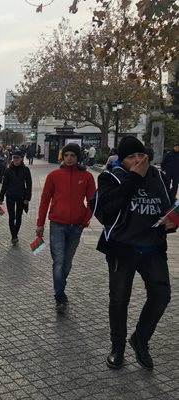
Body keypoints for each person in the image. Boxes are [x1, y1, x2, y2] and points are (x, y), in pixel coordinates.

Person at [91, 136, 175, 370]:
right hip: (122, 247)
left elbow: (167, 204)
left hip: (152, 247)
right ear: (121, 160)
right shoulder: (110, 177)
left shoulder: (156, 175)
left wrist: (172, 222)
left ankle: (141, 339)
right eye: (131, 157)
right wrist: (134, 178)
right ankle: (117, 346)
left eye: (140, 155)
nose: (137, 160)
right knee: (119, 300)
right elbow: (108, 206)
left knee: (161, 295)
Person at [36, 143, 96, 311]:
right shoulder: (54, 176)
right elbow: (44, 200)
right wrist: (40, 223)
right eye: (67, 155)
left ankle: (61, 286)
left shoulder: (87, 177)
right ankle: (59, 295)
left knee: (67, 263)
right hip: (57, 224)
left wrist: (85, 220)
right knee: (59, 261)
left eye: (73, 155)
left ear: (78, 157)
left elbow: (93, 201)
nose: (69, 158)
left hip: (76, 225)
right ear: (63, 157)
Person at [0, 150, 32, 245]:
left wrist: (27, 198)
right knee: (11, 216)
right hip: (10, 196)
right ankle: (13, 236)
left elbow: (29, 184)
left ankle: (15, 233)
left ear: (21, 158)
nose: (15, 159)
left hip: (21, 196)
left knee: (18, 216)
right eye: (14, 157)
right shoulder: (8, 170)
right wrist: (1, 197)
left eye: (17, 157)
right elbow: (4, 184)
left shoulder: (26, 170)